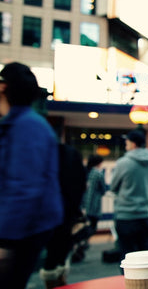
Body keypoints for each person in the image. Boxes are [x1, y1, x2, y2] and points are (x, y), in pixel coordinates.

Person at [0, 62, 64, 289]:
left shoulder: (27, 127)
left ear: (3, 88)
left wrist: (6, 242)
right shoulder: (23, 125)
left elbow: (24, 188)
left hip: (21, 233)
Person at [39, 143, 87, 288]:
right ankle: (59, 280)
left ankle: (53, 281)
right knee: (59, 252)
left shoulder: (38, 153)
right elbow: (80, 185)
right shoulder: (71, 154)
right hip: (66, 214)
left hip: (41, 214)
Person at [110, 128, 148, 264]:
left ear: (133, 144)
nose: (126, 145)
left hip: (126, 215)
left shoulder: (123, 162)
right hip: (146, 214)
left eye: (127, 142)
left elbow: (113, 187)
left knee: (127, 257)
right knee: (146, 256)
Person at [84, 154, 107, 235]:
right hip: (94, 205)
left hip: (84, 204)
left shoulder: (86, 172)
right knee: (93, 226)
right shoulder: (98, 174)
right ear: (98, 163)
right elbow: (103, 190)